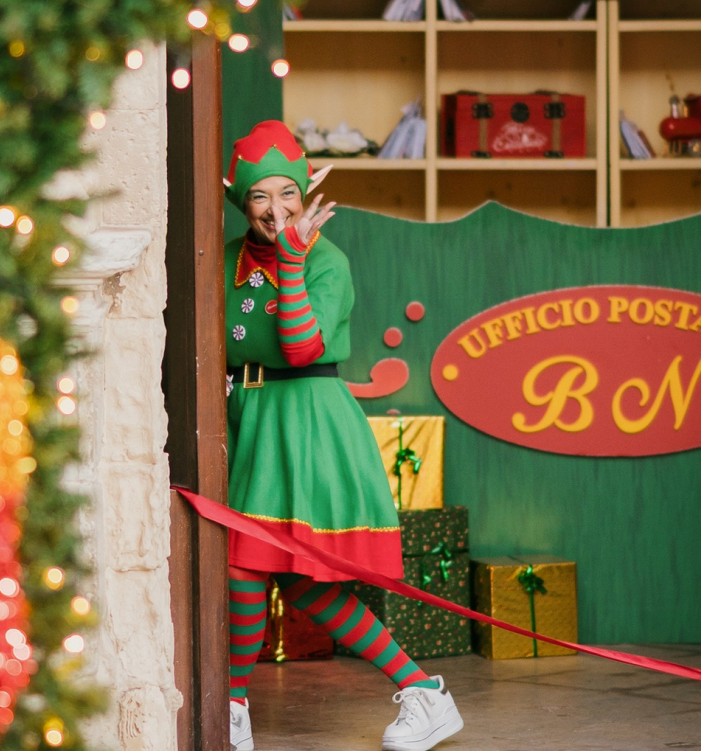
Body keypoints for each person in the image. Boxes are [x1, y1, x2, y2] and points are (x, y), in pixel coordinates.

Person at [221, 120, 464, 751]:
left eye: (287, 194)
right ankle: (425, 692)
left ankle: (233, 706)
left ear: (306, 194)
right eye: (259, 197)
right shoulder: (226, 258)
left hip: (307, 424)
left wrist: (296, 259)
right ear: (240, 201)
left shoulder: (327, 260)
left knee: (254, 570)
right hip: (251, 424)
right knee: (296, 581)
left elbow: (300, 351)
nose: (276, 211)